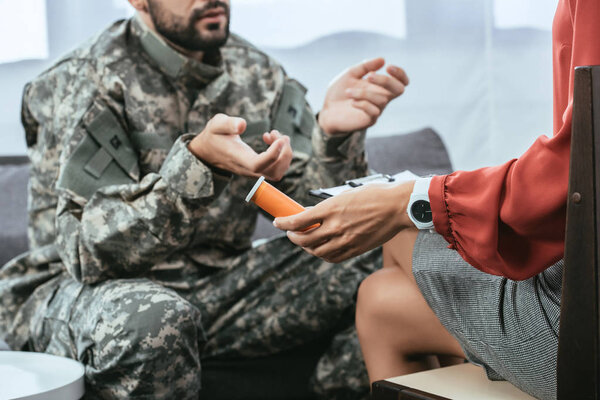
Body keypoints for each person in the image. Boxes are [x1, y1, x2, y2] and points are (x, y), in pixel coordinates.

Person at [0, 0, 410, 398]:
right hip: (85, 293)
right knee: (153, 319)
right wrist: (196, 169)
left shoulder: (259, 72)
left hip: (220, 289)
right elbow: (83, 253)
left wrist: (333, 137)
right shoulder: (82, 79)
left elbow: (313, 218)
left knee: (382, 247)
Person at [273, 0, 600, 399]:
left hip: (582, 329)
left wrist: (414, 200)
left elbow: (576, 169)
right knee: (379, 303)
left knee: (398, 233)